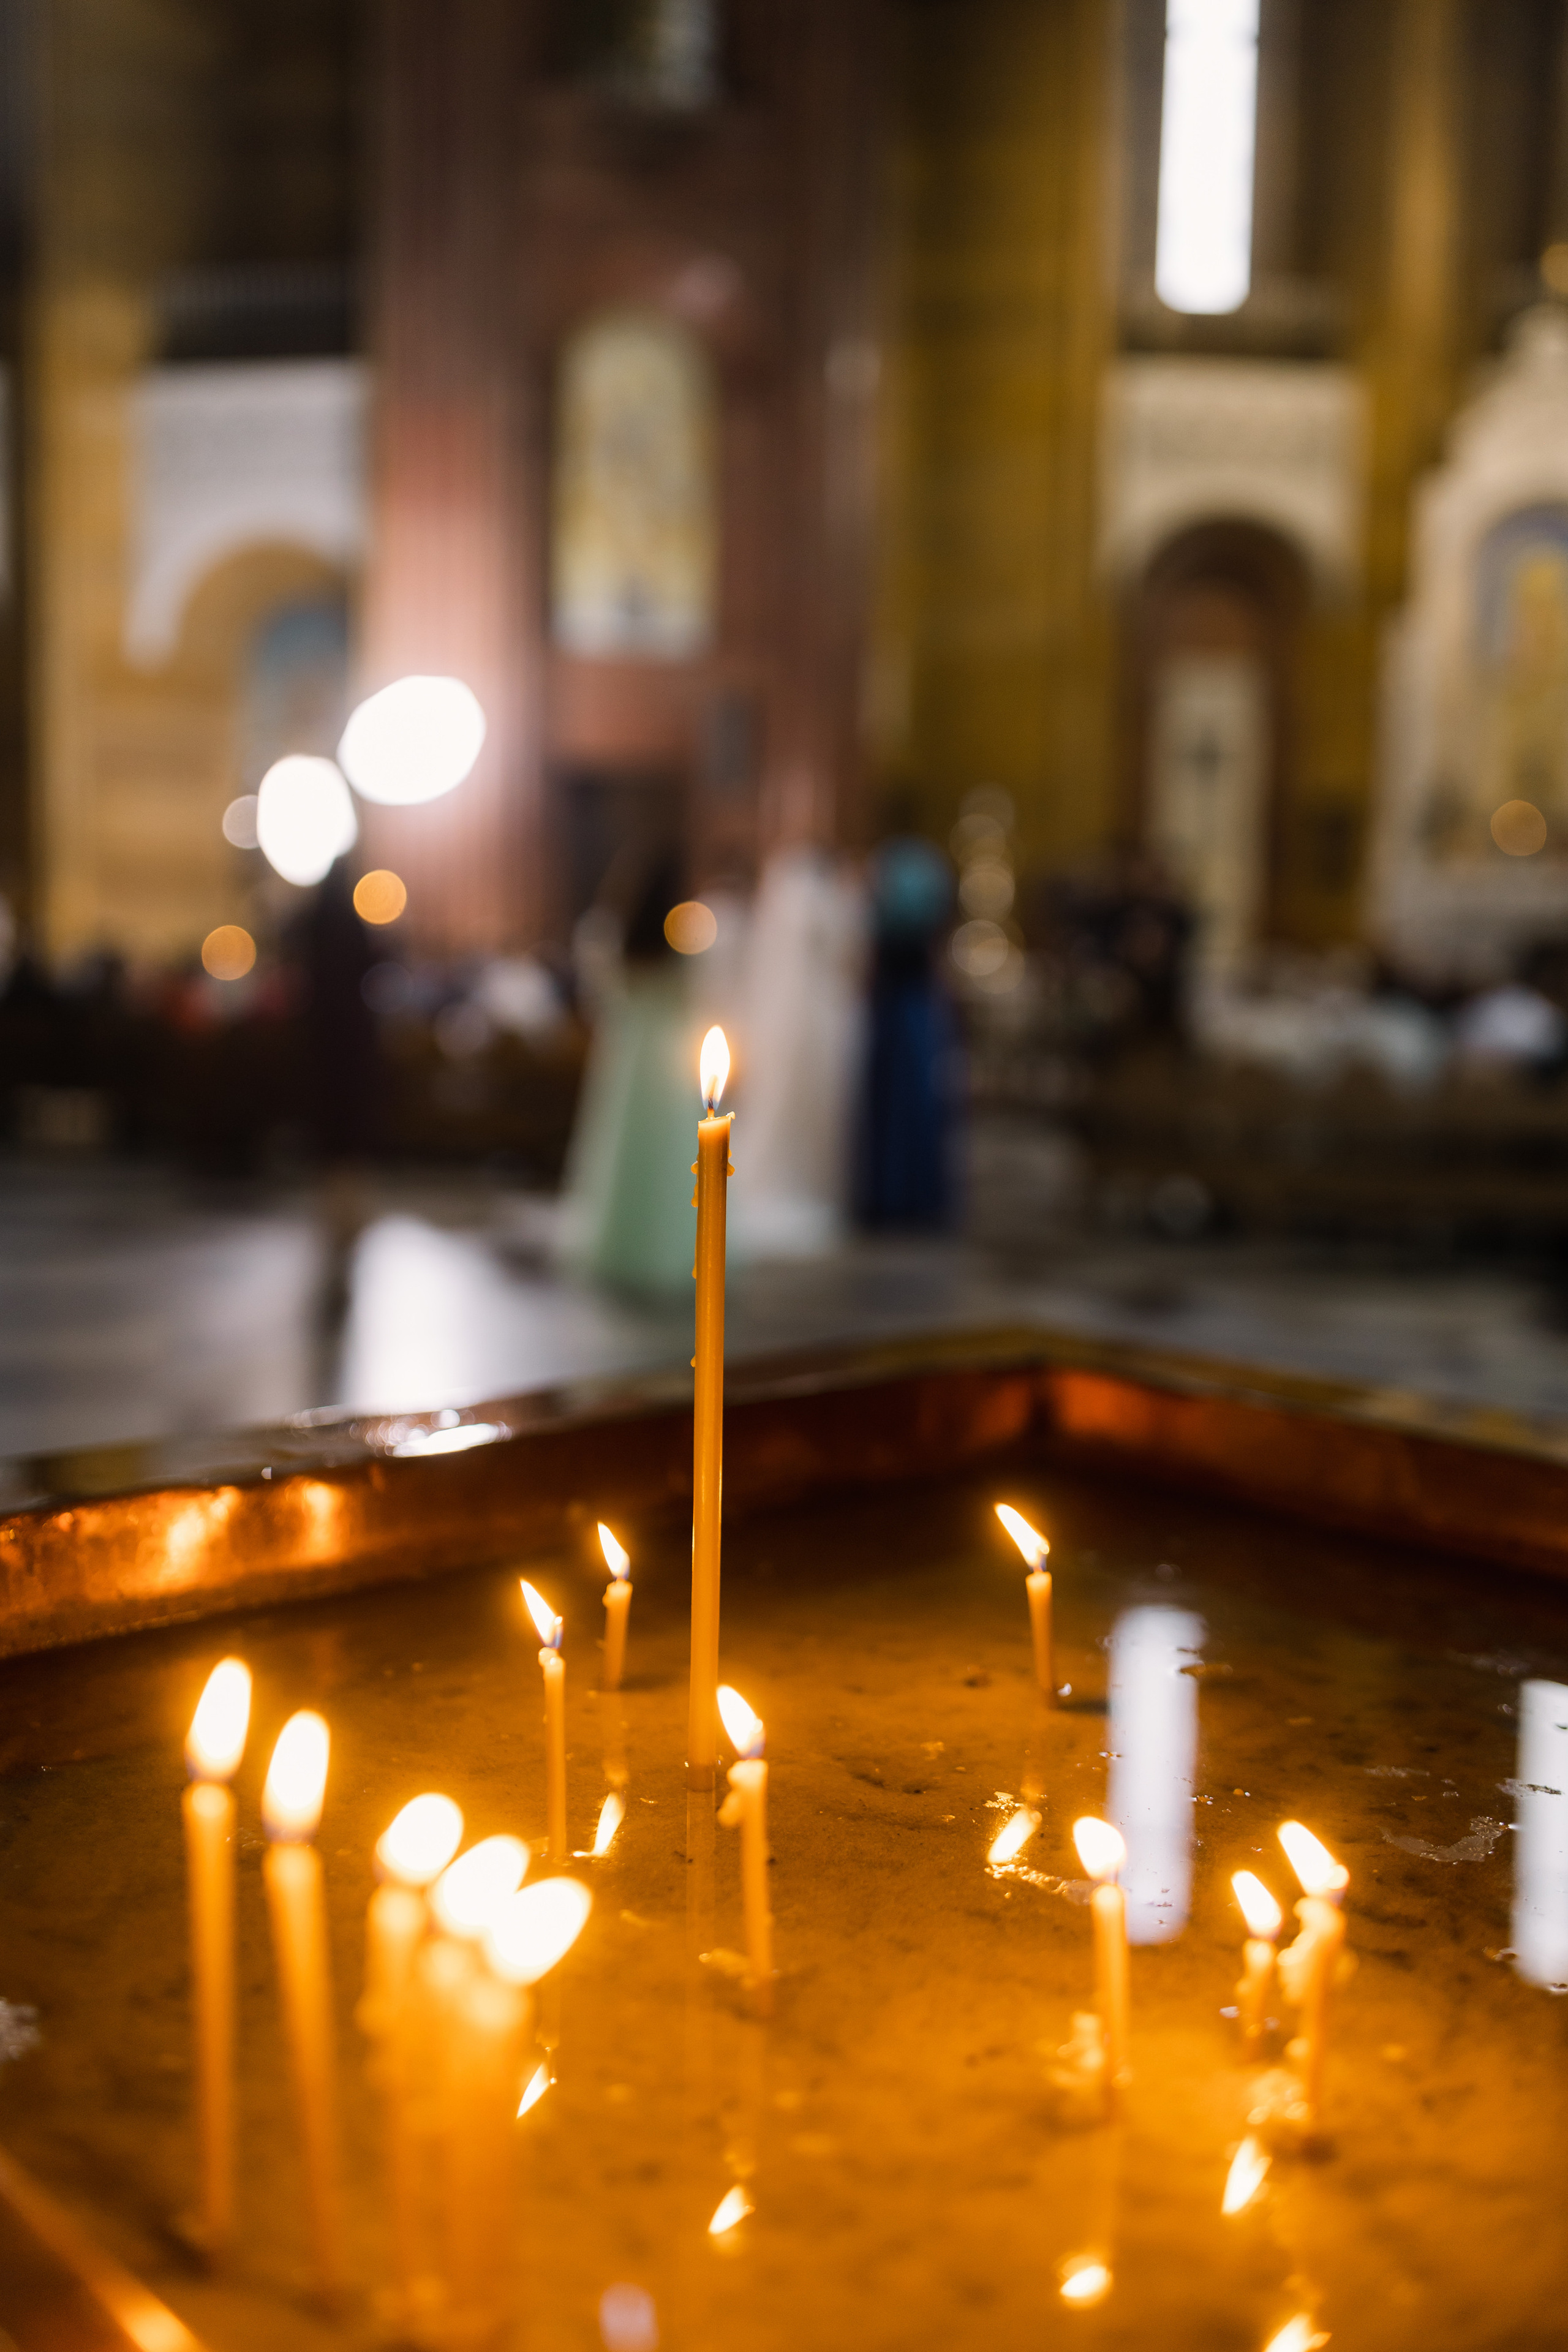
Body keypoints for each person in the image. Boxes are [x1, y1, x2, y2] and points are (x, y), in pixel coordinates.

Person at [854, 831, 957, 1229]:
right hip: (908, 997)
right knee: (914, 1094)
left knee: (901, 1096)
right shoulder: (922, 870)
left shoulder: (888, 868)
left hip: (899, 996)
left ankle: (892, 1193)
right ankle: (913, 1194)